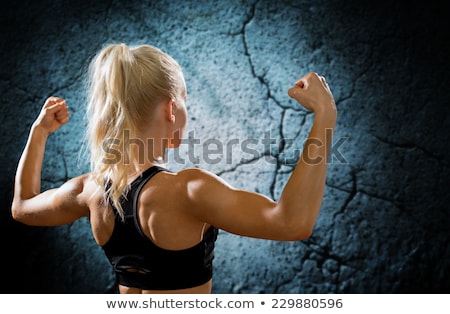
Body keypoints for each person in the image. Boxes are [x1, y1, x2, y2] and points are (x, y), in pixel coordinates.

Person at [11, 43, 337, 294]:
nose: (186, 115)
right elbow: (292, 223)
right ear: (171, 108)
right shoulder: (188, 191)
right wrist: (325, 115)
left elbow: (23, 207)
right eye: (185, 103)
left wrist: (38, 133)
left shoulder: (89, 190)